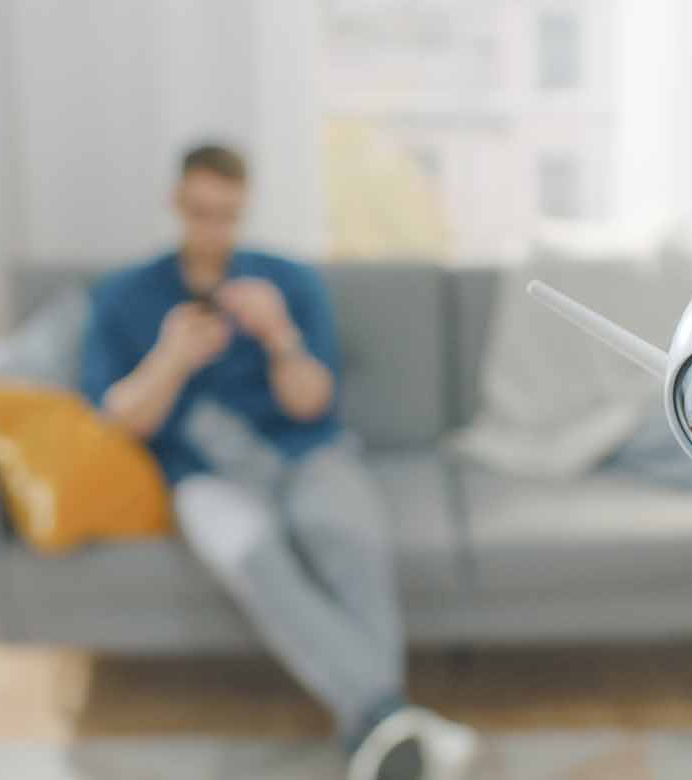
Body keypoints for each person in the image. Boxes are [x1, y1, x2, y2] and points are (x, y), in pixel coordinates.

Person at [79, 144, 476, 780]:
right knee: (253, 555)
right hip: (204, 479)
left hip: (307, 455)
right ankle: (388, 719)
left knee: (342, 535)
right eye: (200, 212)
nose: (213, 230)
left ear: (244, 210)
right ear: (176, 204)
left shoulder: (287, 283)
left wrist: (279, 336)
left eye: (227, 215)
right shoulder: (123, 299)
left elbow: (313, 401)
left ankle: (376, 728)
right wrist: (171, 359)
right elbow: (118, 420)